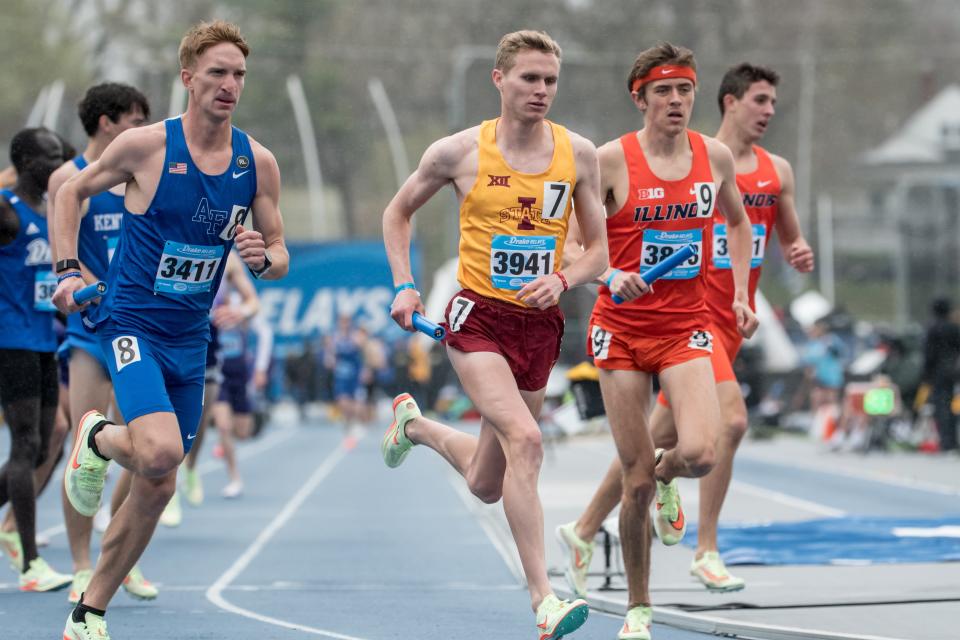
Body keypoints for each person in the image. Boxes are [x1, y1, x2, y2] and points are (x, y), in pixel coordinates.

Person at [52, 20, 288, 640]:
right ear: (188, 78)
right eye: (217, 72)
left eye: (238, 74)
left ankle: (90, 611)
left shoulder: (257, 162)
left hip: (191, 336)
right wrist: (67, 269)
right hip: (130, 323)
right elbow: (69, 192)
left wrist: (263, 256)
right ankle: (99, 436)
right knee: (155, 450)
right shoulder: (147, 147)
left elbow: (279, 255)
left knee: (159, 485)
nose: (229, 84)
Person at [381, 30, 607, 640]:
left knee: (488, 482)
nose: (541, 91)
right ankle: (544, 599)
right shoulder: (457, 153)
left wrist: (563, 278)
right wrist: (404, 284)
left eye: (550, 80)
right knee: (527, 441)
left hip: (541, 327)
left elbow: (599, 252)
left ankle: (418, 427)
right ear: (499, 80)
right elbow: (396, 212)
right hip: (476, 319)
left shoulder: (578, 153)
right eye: (529, 78)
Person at [556, 62, 813, 598]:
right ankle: (683, 566)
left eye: (684, 90)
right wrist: (610, 273)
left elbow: (747, 227)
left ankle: (590, 526)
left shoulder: (736, 164)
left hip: (698, 323)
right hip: (640, 326)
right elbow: (572, 243)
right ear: (640, 98)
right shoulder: (611, 160)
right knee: (708, 434)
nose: (676, 99)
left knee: (677, 448)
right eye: (664, 90)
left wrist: (746, 290)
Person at [45, 81, 157, 604]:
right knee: (84, 450)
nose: (141, 129)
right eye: (134, 120)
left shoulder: (140, 171)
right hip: (93, 328)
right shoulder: (69, 180)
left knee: (142, 449)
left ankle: (120, 555)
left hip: (140, 326)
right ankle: (82, 563)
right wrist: (102, 291)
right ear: (107, 121)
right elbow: (62, 250)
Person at [0, 126, 73, 592]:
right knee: (25, 447)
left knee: (46, 447)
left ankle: (25, 554)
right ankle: (29, 562)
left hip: (46, 338)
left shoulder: (51, 211)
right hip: (11, 340)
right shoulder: (6, 212)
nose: (59, 165)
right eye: (50, 158)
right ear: (26, 164)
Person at [921, 297, 960, 452]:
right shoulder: (954, 328)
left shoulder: (932, 328)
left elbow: (929, 354)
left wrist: (925, 374)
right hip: (954, 370)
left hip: (938, 371)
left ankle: (947, 442)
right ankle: (953, 440)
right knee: (952, 405)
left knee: (941, 406)